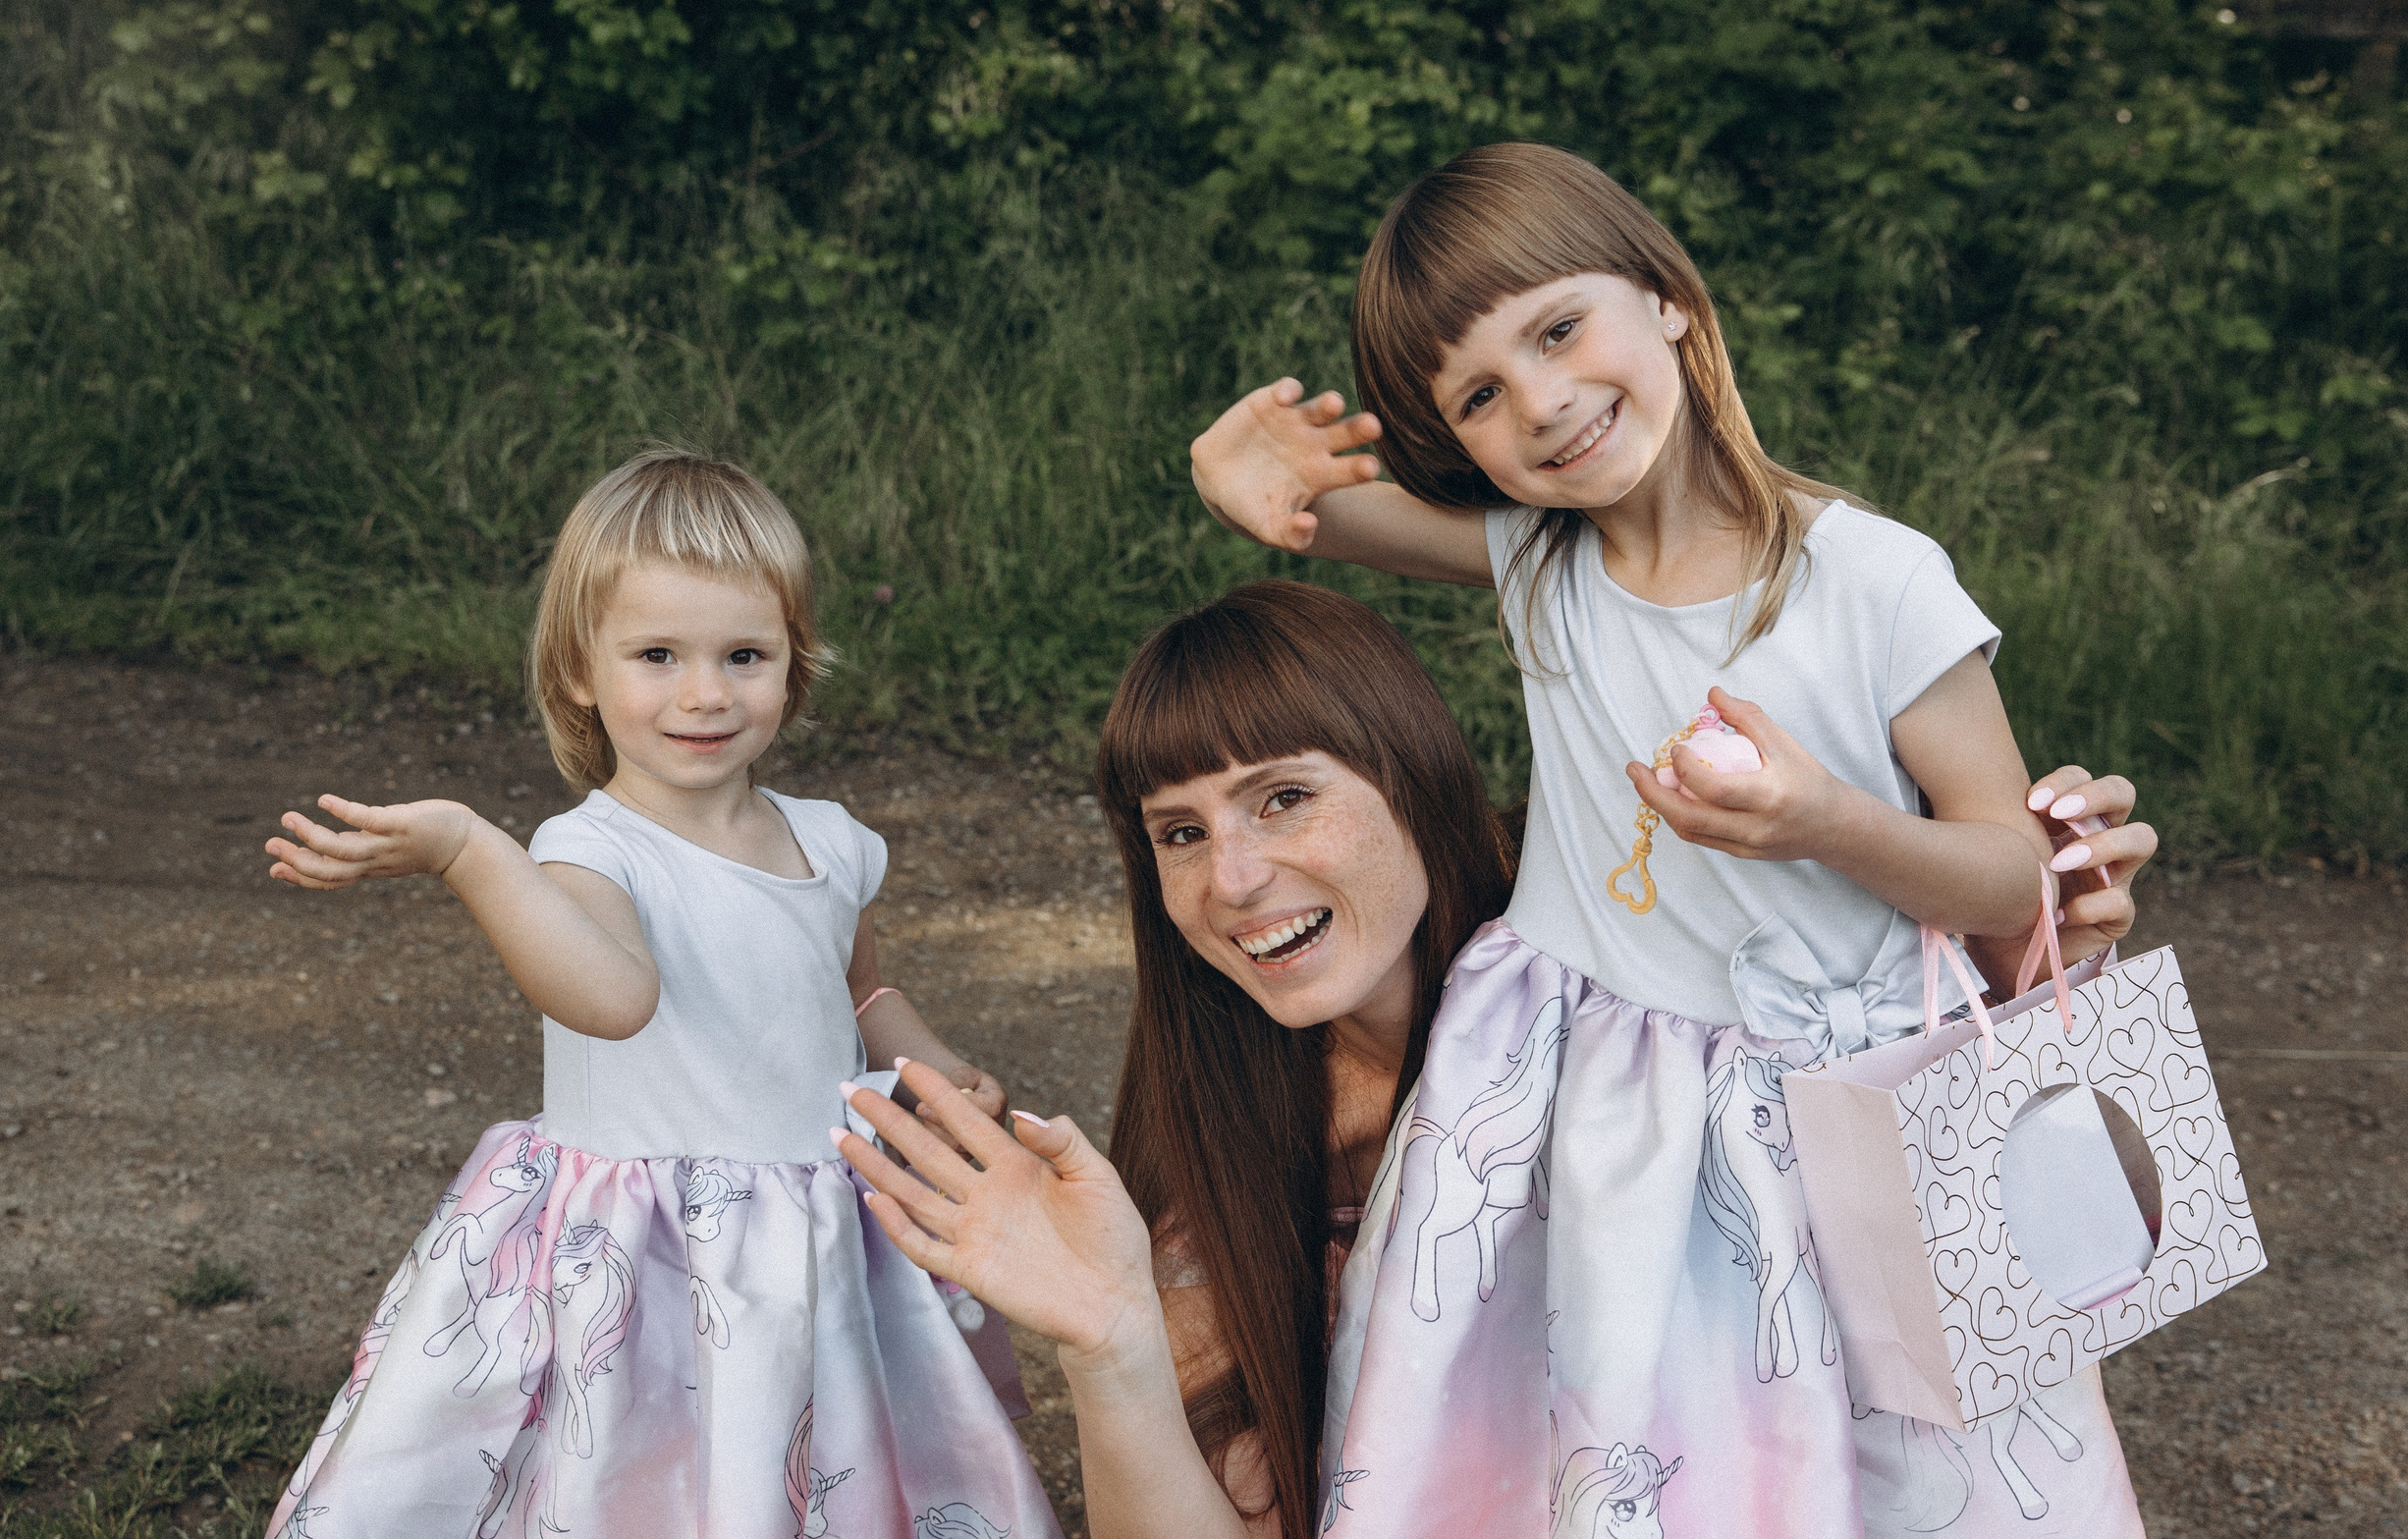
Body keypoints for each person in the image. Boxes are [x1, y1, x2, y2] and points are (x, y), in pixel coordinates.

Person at [838, 581, 2153, 1538]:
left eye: (1285, 795)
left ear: (1411, 772)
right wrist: (1112, 1338)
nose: (1233, 878)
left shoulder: (1662, 980)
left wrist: (2009, 966)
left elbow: (2059, 1266)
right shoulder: (1225, 1164)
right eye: (1176, 832)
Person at [259, 450, 1059, 1539]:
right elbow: (608, 996)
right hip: (649, 1246)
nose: (704, 692)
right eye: (656, 654)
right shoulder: (588, 851)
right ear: (581, 669)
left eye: (744, 654)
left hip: (813, 1226)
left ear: (794, 664)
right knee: (648, 1466)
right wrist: (468, 848)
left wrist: (934, 1069)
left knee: (821, 1452)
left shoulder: (830, 840)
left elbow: (863, 987)